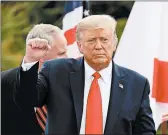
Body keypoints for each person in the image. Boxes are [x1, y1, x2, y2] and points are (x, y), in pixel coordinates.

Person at [14, 15, 156, 134]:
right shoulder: (56, 71)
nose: (99, 46)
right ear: (80, 46)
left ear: (114, 43)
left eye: (104, 39)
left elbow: (145, 131)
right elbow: (27, 100)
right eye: (91, 40)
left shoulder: (137, 83)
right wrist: (30, 62)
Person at [1, 24, 67, 135]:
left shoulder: (71, 83)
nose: (67, 58)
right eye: (61, 53)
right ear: (41, 55)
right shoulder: (4, 84)